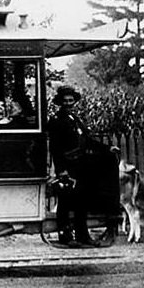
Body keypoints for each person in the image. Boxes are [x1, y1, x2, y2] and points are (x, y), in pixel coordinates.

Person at [47, 85, 92, 245]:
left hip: (79, 166)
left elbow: (86, 140)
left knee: (81, 202)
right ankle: (65, 236)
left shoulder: (76, 119)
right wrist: (61, 170)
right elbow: (55, 148)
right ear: (60, 102)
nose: (68, 103)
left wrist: (108, 148)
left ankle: (83, 235)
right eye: (65, 100)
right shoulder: (56, 120)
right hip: (66, 166)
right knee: (65, 202)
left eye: (71, 100)